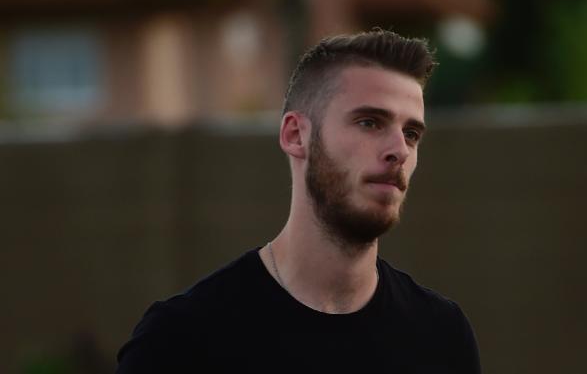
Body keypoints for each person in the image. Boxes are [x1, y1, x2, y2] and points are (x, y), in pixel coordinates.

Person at [116, 29, 481, 374]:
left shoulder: (440, 335)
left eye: (411, 133)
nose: (399, 150)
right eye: (370, 122)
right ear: (295, 135)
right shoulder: (180, 341)